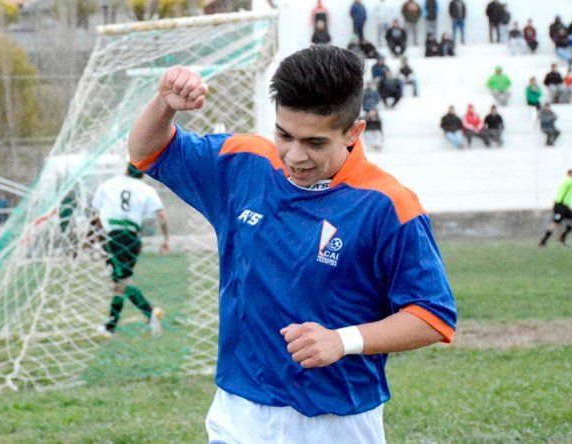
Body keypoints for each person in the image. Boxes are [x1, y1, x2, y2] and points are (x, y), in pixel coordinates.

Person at [128, 45, 456, 442]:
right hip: (240, 414)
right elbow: (147, 151)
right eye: (285, 134)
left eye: (315, 143)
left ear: (354, 132)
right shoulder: (244, 163)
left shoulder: (389, 205)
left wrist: (343, 340)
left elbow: (433, 316)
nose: (295, 155)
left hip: (338, 423)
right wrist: (164, 105)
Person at [93, 164, 169, 338]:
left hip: (114, 238)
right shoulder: (147, 189)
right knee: (121, 283)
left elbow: (96, 215)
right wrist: (166, 239)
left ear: (125, 168)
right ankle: (142, 317)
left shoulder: (109, 184)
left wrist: (100, 238)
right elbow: (162, 215)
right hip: (133, 239)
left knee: (121, 282)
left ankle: (145, 315)